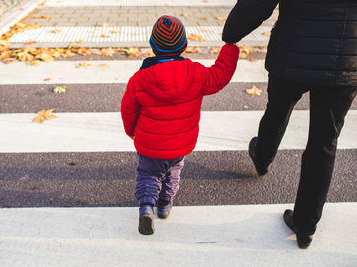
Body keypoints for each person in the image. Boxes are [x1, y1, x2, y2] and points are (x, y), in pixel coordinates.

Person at [222, 0, 357, 248]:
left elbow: (257, 5)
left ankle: (262, 157)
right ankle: (305, 226)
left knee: (277, 110)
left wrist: (232, 32)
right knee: (324, 142)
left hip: (293, 50)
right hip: (346, 57)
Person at [121, 15, 239, 235]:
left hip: (149, 142)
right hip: (180, 143)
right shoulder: (196, 73)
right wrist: (230, 48)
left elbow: (128, 109)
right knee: (173, 172)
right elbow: (219, 77)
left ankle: (146, 206)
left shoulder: (140, 79)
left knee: (148, 174)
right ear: (184, 45)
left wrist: (132, 132)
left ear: (152, 46)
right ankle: (165, 206)